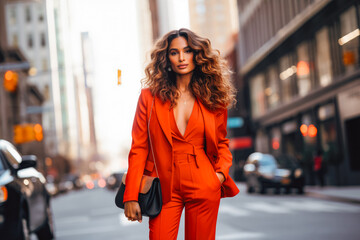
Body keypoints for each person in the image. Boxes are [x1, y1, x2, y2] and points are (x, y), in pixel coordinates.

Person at [123, 28, 239, 239]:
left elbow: (222, 143)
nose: (182, 57)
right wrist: (131, 195)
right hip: (163, 185)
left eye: (187, 51)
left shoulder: (214, 97)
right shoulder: (149, 98)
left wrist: (219, 176)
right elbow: (139, 147)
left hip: (203, 180)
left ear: (197, 54)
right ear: (166, 58)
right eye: (174, 52)